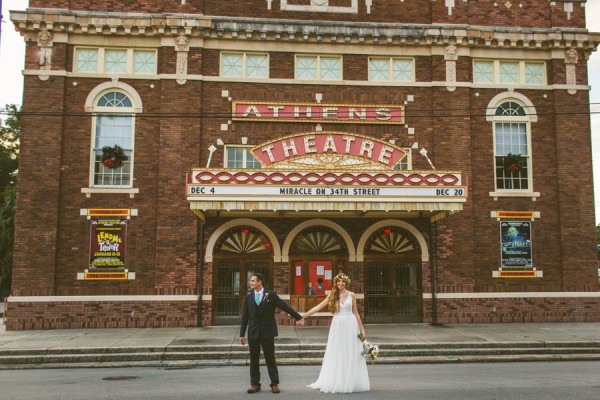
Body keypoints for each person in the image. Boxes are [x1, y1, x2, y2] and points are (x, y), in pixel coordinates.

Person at [301, 272, 370, 393]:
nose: (341, 283)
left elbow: (356, 313)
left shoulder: (352, 295)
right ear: (336, 283)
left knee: (350, 351)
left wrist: (362, 329)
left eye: (343, 281)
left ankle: (350, 380)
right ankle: (337, 379)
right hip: (337, 326)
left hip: (351, 324)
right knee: (337, 351)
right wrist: (303, 316)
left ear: (346, 283)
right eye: (338, 281)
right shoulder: (332, 296)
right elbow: (317, 308)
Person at [240, 273, 304, 394]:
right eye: (251, 281)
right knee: (254, 359)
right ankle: (255, 384)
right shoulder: (248, 297)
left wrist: (298, 317)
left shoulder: (271, 295)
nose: (251, 283)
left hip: (267, 332)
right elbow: (245, 317)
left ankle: (274, 384)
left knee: (270, 358)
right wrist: (241, 334)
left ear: (260, 282)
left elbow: (285, 307)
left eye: (253, 281)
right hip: (253, 332)